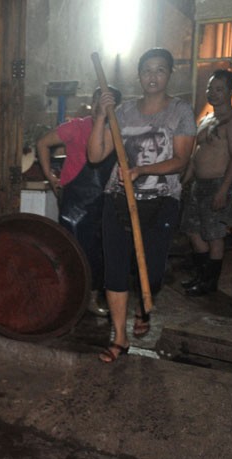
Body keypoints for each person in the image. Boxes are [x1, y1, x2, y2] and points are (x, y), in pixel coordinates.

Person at [87, 48, 196, 363]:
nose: (153, 76)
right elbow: (95, 156)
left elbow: (180, 160)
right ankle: (119, 338)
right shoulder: (123, 113)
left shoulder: (180, 112)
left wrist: (141, 170)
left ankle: (144, 307)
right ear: (139, 75)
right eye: (147, 70)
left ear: (169, 74)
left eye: (160, 70)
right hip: (118, 199)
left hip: (161, 201)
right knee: (116, 268)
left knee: (153, 270)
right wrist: (100, 116)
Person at [37, 86, 122, 316]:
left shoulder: (117, 132)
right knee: (73, 250)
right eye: (95, 101)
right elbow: (43, 143)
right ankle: (71, 298)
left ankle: (92, 299)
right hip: (74, 200)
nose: (98, 107)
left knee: (100, 252)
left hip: (105, 200)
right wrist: (51, 176)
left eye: (103, 103)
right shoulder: (77, 127)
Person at [180, 69, 232, 296]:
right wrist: (184, 182)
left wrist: (224, 190)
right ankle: (201, 277)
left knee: (215, 236)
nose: (213, 93)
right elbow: (194, 155)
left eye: (219, 89)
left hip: (218, 185)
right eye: (210, 88)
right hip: (198, 185)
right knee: (192, 231)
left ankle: (209, 284)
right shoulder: (206, 118)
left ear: (230, 91)